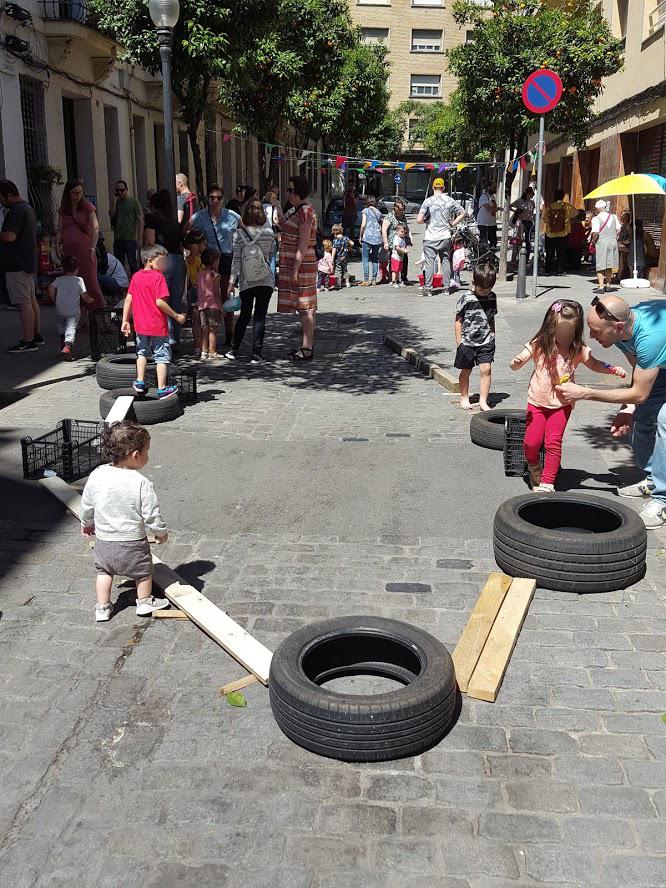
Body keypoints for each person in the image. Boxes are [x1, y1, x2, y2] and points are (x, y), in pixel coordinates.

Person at [557, 294, 666, 529]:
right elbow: (640, 370)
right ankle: (653, 480)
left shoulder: (649, 338)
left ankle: (663, 500)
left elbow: (639, 393)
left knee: (664, 421)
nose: (592, 337)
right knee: (643, 416)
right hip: (661, 362)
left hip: (660, 348)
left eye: (596, 331)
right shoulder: (621, 331)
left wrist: (585, 392)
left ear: (617, 327)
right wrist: (628, 408)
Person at [510, 299, 627, 492]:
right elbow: (524, 354)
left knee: (553, 443)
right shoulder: (542, 343)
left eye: (569, 334)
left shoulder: (578, 349)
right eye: (560, 333)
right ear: (551, 329)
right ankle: (533, 466)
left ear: (575, 331)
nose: (563, 337)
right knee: (532, 443)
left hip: (562, 405)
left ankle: (548, 482)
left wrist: (612, 369)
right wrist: (517, 362)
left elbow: (595, 364)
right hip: (537, 403)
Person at [80, 421, 171, 622]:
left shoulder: (97, 475)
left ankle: (102, 607)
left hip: (104, 542)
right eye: (147, 451)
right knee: (143, 573)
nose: (148, 455)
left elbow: (87, 503)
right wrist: (160, 532)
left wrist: (86, 523)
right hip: (133, 543)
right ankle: (145, 602)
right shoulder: (141, 483)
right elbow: (151, 515)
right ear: (135, 455)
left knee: (104, 572)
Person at [121, 244, 185, 398]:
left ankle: (140, 381)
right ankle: (162, 388)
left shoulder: (136, 276)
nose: (165, 265)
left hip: (141, 326)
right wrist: (176, 316)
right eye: (162, 261)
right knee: (162, 356)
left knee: (141, 353)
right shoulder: (159, 278)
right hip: (157, 325)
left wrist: (125, 320)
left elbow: (129, 299)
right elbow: (159, 302)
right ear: (150, 260)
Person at [188, 184, 240, 349]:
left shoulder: (231, 215)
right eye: (212, 198)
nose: (215, 201)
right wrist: (195, 247)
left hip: (225, 258)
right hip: (209, 260)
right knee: (209, 298)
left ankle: (229, 332)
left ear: (222, 199)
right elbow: (186, 230)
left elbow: (246, 228)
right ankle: (209, 334)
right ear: (208, 199)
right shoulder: (201, 216)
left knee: (225, 295)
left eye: (218, 198)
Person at [226, 198, 276, 363]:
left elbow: (236, 261)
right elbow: (268, 257)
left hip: (247, 281)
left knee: (244, 315)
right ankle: (256, 353)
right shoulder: (269, 234)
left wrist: (232, 282)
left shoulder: (238, 234)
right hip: (265, 279)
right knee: (260, 316)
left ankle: (234, 348)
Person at [277, 175, 318, 361]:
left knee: (306, 305)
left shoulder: (306, 212)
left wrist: (295, 268)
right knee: (301, 305)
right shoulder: (295, 210)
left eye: (291, 190)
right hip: (295, 264)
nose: (288, 193)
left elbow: (303, 243)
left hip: (303, 265)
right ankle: (304, 345)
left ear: (299, 192)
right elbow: (281, 224)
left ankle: (307, 347)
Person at [0, 179, 44, 352]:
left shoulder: (17, 211)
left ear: (9, 195)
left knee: (23, 302)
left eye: (1, 198)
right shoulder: (27, 208)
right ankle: (36, 335)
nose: (1, 201)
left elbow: (10, 236)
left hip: (17, 264)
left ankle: (28, 340)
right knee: (30, 300)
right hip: (26, 262)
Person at [143, 189, 186, 355]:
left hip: (162, 260)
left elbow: (151, 242)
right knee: (175, 300)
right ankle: (176, 339)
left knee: (162, 301)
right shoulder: (173, 220)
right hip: (178, 260)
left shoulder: (152, 218)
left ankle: (167, 339)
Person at [454, 263, 497, 412]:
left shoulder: (492, 297)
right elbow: (458, 320)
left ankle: (483, 401)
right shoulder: (466, 299)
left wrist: (493, 333)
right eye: (482, 289)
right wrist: (459, 342)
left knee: (486, 369)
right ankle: (464, 396)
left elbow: (491, 317)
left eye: (488, 289)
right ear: (474, 283)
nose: (485, 293)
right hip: (467, 342)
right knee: (466, 370)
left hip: (486, 340)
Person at [57, 178, 105, 309]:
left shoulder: (87, 207)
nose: (78, 195)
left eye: (80, 192)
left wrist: (93, 248)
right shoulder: (63, 210)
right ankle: (81, 315)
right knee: (73, 283)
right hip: (69, 250)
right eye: (74, 192)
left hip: (85, 250)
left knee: (90, 282)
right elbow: (60, 229)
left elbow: (95, 228)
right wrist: (57, 244)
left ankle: (99, 311)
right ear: (68, 193)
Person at [417, 177, 466, 298]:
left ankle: (428, 288)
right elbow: (463, 212)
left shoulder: (428, 201)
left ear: (433, 188)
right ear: (443, 188)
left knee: (429, 263)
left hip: (430, 237)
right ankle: (446, 288)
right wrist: (452, 224)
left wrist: (425, 221)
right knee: (445, 261)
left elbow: (419, 220)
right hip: (445, 236)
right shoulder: (450, 200)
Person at [47, 255, 93, 361]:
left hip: (60, 309)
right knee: (71, 329)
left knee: (61, 325)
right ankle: (67, 346)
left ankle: (63, 340)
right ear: (77, 269)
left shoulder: (59, 279)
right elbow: (84, 295)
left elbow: (50, 287)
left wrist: (54, 298)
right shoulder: (79, 280)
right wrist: (90, 300)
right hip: (73, 311)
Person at [110, 179, 143, 275]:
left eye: (121, 190)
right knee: (118, 263)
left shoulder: (134, 202)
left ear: (126, 189)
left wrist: (139, 239)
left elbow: (140, 220)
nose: (119, 192)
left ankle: (136, 282)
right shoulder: (117, 202)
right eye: (117, 190)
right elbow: (112, 215)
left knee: (132, 263)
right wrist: (115, 200)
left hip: (130, 237)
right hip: (118, 237)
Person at [543, 188, 577, 275]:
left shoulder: (549, 207)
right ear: (562, 197)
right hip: (563, 233)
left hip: (550, 233)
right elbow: (576, 213)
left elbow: (545, 219)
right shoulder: (566, 206)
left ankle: (548, 270)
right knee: (561, 253)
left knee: (549, 253)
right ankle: (560, 270)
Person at [184, 228, 206, 357]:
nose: (204, 246)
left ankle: (203, 345)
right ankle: (198, 345)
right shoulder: (190, 260)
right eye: (202, 243)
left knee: (203, 320)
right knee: (197, 319)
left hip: (203, 290)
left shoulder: (204, 258)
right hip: (196, 290)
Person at [196, 248, 222, 360]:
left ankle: (203, 351)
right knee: (213, 329)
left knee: (204, 329)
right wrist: (221, 307)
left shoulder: (200, 274)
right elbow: (216, 293)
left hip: (202, 305)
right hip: (213, 305)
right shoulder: (215, 276)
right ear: (213, 262)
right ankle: (212, 351)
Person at [590, 199, 620, 294]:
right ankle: (608, 285)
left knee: (600, 264)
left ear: (597, 208)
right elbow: (618, 229)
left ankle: (601, 286)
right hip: (613, 241)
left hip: (602, 242)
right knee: (609, 264)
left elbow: (595, 233)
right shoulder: (614, 216)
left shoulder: (596, 219)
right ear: (605, 207)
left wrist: (592, 242)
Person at [382, 200, 412, 284]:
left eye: (402, 210)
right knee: (394, 261)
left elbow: (406, 228)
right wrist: (385, 242)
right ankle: (393, 279)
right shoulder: (389, 217)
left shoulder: (403, 216)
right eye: (399, 211)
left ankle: (403, 277)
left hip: (403, 242)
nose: (401, 213)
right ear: (395, 209)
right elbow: (384, 230)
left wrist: (409, 239)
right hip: (393, 242)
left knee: (404, 259)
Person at [358, 196, 383, 286]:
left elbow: (363, 224)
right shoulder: (379, 212)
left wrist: (360, 236)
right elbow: (380, 226)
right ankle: (374, 279)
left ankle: (366, 279)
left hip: (367, 237)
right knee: (375, 259)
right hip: (377, 238)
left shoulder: (365, 211)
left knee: (365, 258)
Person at [509, 187, 535, 262]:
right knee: (517, 239)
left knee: (528, 240)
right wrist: (516, 211)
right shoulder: (520, 201)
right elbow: (510, 206)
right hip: (521, 221)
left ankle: (526, 259)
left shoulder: (532, 203)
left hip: (529, 222)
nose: (531, 196)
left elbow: (531, 213)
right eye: (531, 194)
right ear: (527, 194)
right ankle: (514, 258)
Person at [476, 183, 498, 251]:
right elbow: (488, 208)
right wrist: (497, 209)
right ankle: (484, 258)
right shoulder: (484, 196)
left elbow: (494, 208)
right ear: (489, 187)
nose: (495, 189)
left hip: (492, 223)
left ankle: (491, 258)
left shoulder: (492, 197)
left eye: (495, 187)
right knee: (484, 242)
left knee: (493, 242)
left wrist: (495, 209)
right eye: (493, 187)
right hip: (484, 223)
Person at [331, 223, 353, 289]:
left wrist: (332, 258)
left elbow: (334, 250)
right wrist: (348, 247)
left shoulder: (335, 240)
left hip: (338, 258)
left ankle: (339, 284)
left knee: (338, 270)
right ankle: (347, 283)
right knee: (345, 270)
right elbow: (352, 243)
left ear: (334, 232)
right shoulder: (346, 238)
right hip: (345, 257)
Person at [390, 224, 408, 288]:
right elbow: (397, 247)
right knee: (395, 270)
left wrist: (405, 249)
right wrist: (404, 251)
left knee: (398, 270)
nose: (403, 233)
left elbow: (403, 246)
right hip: (395, 257)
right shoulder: (396, 238)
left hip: (400, 257)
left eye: (404, 232)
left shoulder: (402, 238)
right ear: (397, 231)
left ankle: (397, 281)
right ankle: (393, 282)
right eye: (401, 232)